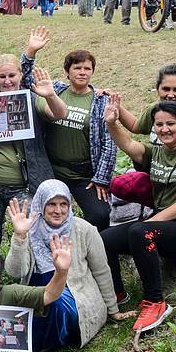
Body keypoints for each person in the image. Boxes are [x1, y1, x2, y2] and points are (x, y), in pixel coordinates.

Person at [101, 97, 176, 332]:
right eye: (159, 124)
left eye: (170, 124)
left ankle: (156, 302)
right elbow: (128, 144)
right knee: (104, 239)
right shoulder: (156, 153)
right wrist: (112, 123)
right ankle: (117, 293)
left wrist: (153, 221)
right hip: (161, 227)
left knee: (141, 231)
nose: (164, 129)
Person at [5, 185, 127, 351]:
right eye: (51, 204)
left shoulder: (83, 229)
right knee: (39, 301)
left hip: (74, 293)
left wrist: (112, 309)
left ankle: (37, 345)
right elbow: (15, 272)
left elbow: (101, 271)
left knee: (55, 301)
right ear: (41, 204)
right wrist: (20, 236)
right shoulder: (30, 228)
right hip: (36, 289)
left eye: (63, 204)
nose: (58, 210)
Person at [0, 32, 66, 249]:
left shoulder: (31, 99)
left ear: (21, 75)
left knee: (33, 235)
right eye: (2, 77)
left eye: (12, 75)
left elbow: (59, 114)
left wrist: (50, 95)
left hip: (23, 184)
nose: (7, 81)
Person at [21, 49, 115, 232]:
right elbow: (26, 80)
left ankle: (97, 248)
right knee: (48, 217)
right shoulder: (56, 90)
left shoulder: (101, 100)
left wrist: (101, 178)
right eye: (77, 68)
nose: (82, 72)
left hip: (84, 175)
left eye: (87, 68)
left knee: (100, 214)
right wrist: (30, 53)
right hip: (52, 171)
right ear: (67, 71)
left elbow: (109, 143)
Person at [113, 63, 176, 146]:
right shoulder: (155, 110)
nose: (170, 95)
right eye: (166, 89)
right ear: (158, 89)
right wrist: (116, 104)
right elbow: (135, 126)